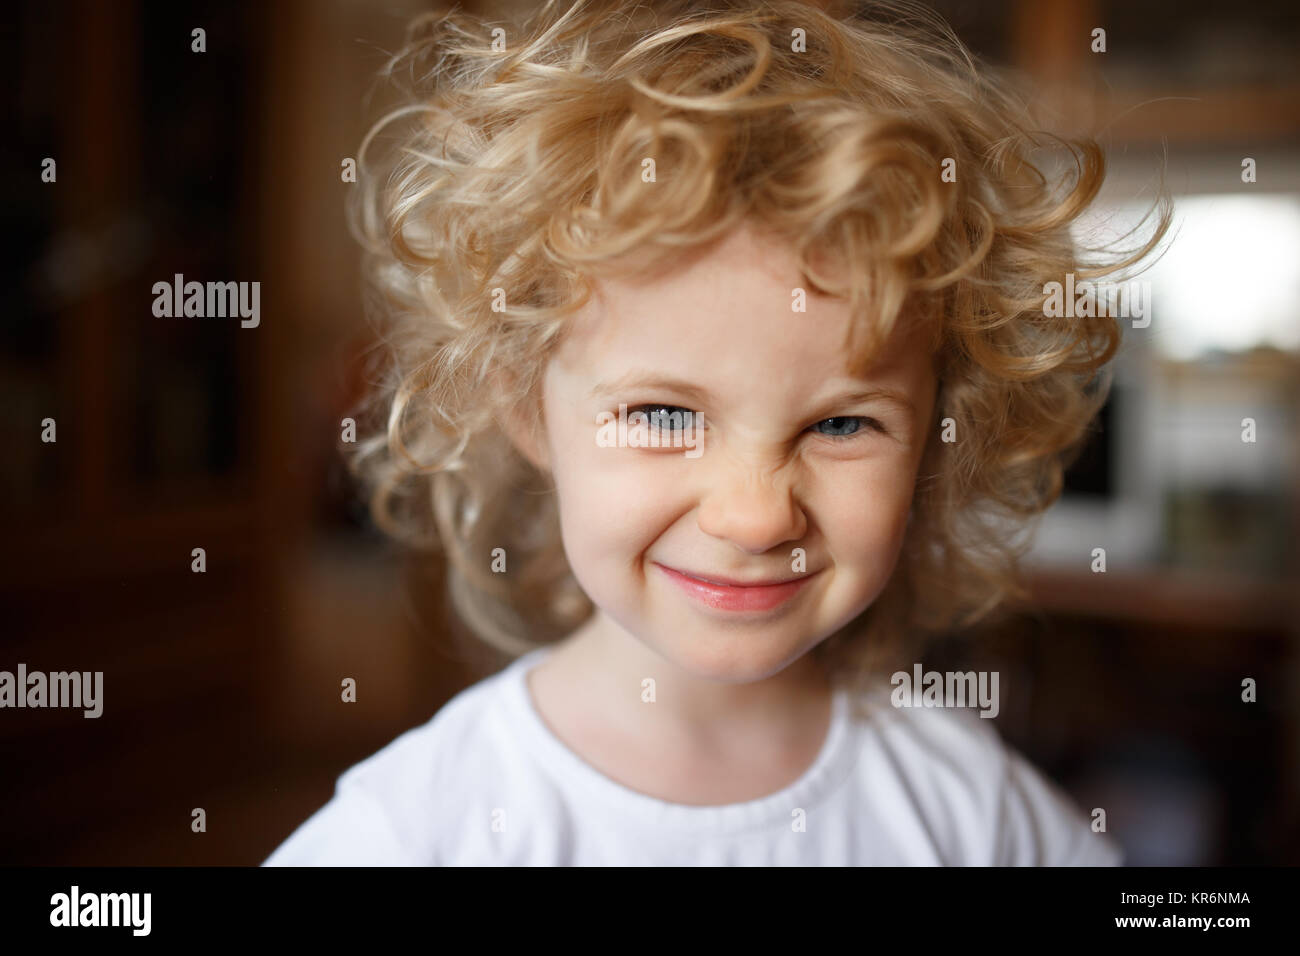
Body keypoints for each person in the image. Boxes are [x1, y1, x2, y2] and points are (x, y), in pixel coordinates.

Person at [264, 0, 1169, 865]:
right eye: (664, 414)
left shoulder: (967, 808)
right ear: (528, 411)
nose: (754, 516)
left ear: (937, 432)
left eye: (843, 423)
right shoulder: (421, 827)